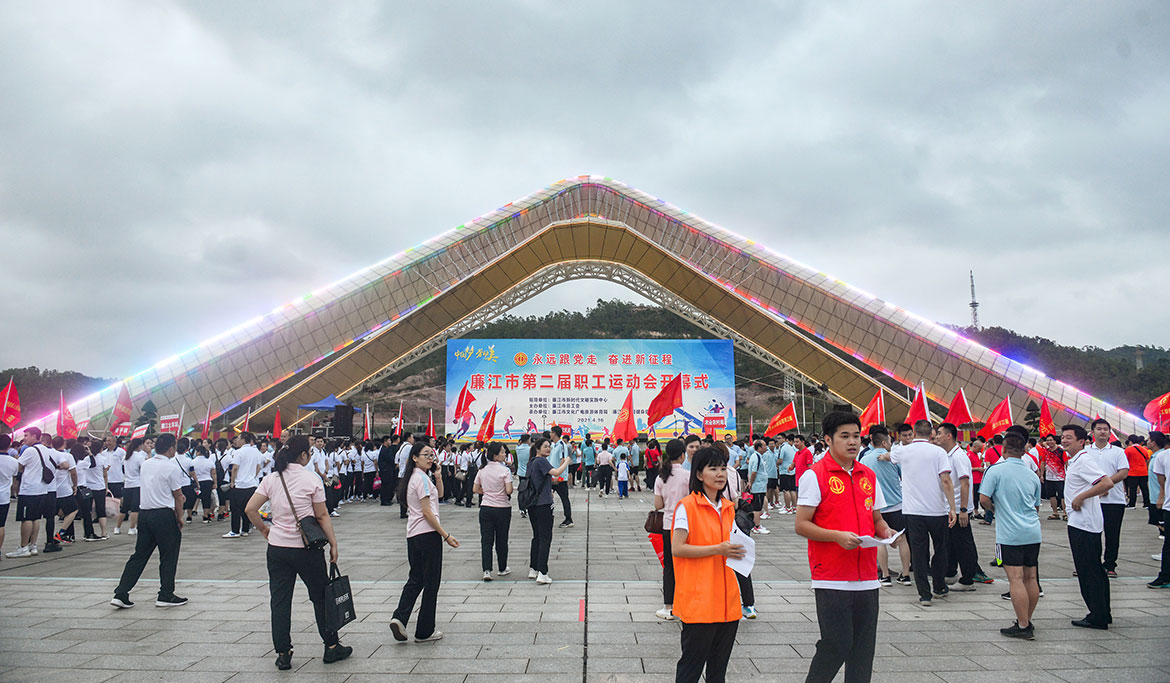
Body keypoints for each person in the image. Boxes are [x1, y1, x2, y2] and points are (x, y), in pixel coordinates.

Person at [796, 412, 893, 683]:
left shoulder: (868, 475)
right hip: (832, 576)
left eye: (856, 436)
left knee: (863, 651)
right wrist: (836, 536)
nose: (852, 442)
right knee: (836, 644)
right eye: (845, 436)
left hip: (867, 578)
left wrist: (886, 532)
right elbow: (801, 524)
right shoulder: (815, 475)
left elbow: (877, 519)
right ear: (828, 439)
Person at [244, 435, 351, 669]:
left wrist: (264, 530)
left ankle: (283, 653)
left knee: (280, 600)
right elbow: (321, 515)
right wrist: (333, 543)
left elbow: (250, 508)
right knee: (320, 597)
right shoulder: (311, 479)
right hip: (306, 549)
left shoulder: (272, 478)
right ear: (303, 455)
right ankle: (331, 646)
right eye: (309, 453)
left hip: (277, 549)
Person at [671, 446, 744, 683]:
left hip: (727, 601)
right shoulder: (687, 506)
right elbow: (678, 548)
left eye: (723, 468)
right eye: (713, 469)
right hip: (699, 601)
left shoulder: (727, 508)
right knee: (691, 668)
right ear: (699, 474)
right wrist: (718, 549)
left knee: (718, 671)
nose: (720, 474)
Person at [389, 441, 459, 642]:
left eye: (431, 455)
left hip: (413, 535)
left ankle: (399, 617)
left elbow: (441, 495)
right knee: (431, 583)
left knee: (416, 579)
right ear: (414, 457)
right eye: (426, 455)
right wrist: (445, 535)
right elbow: (428, 512)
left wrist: (438, 476)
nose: (430, 458)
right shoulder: (420, 478)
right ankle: (424, 631)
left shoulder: (416, 477)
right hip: (428, 535)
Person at [111, 433, 189, 609]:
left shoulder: (146, 464)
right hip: (164, 515)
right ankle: (165, 594)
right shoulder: (171, 467)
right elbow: (178, 495)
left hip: (145, 514)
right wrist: (179, 517)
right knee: (168, 555)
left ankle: (121, 593)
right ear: (171, 449)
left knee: (139, 555)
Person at [979, 432, 1042, 639]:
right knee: (1031, 577)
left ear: (1004, 449)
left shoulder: (996, 471)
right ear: (1024, 451)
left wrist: (994, 509)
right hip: (1032, 531)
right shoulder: (1032, 475)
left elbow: (984, 498)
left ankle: (1023, 625)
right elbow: (1036, 505)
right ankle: (1026, 619)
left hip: (1009, 533)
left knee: (1015, 579)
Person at [889, 420, 956, 606]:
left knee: (918, 553)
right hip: (937, 510)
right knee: (941, 549)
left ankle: (924, 594)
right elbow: (946, 480)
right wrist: (952, 507)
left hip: (913, 511)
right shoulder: (939, 452)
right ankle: (939, 586)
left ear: (914, 432)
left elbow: (888, 456)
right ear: (931, 433)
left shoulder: (903, 450)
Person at [1061, 424, 1115, 627]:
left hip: (1084, 524)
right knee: (1094, 570)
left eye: (1069, 437)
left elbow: (1106, 483)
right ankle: (1102, 612)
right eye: (1063, 437)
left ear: (1081, 441)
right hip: (1082, 522)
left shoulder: (1083, 460)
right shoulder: (1075, 460)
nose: (1064, 440)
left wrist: (1081, 497)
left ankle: (1097, 616)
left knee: (1088, 570)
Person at [859, 427, 912, 586]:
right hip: (896, 505)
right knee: (902, 540)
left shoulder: (865, 460)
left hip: (876, 507)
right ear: (883, 442)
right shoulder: (893, 458)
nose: (891, 443)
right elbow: (905, 476)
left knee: (879, 540)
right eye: (889, 440)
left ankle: (885, 576)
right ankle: (906, 575)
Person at [937, 423, 982, 592]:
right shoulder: (947, 455)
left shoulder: (958, 456)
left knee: (963, 544)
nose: (937, 437)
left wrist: (963, 510)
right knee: (951, 543)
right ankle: (950, 572)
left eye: (940, 433)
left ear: (949, 436)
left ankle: (968, 579)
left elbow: (965, 483)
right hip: (951, 508)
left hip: (959, 508)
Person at [6, 428, 62, 558]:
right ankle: (33, 545)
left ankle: (23, 547)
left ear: (35, 436)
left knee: (26, 519)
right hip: (42, 488)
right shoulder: (45, 449)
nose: (24, 438)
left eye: (26, 435)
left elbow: (18, 466)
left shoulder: (30, 450)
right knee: (36, 518)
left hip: (29, 489)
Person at [1084, 419, 1129, 578]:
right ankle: (1092, 564)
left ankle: (1110, 564)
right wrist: (1098, 488)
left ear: (1110, 433)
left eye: (1105, 429)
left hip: (1114, 501)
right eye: (1099, 429)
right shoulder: (1085, 451)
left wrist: (1105, 485)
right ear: (1093, 432)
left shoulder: (1118, 452)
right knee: (1091, 534)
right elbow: (1081, 472)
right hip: (1091, 500)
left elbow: (1123, 472)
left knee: (1112, 534)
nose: (1102, 432)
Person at [526, 437, 570, 584]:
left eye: (549, 446)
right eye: (545, 446)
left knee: (537, 537)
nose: (548, 449)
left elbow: (541, 479)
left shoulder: (532, 462)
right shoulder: (542, 461)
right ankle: (543, 573)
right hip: (543, 504)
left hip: (532, 504)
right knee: (545, 538)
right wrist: (566, 462)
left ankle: (534, 569)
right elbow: (556, 472)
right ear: (538, 449)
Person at [653, 438, 688, 621]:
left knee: (669, 566)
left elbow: (658, 505)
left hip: (668, 525)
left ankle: (668, 606)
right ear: (682, 455)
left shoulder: (661, 476)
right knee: (687, 565)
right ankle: (686, 603)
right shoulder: (688, 476)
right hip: (687, 525)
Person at [474, 442, 513, 580]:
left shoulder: (482, 470)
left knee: (486, 540)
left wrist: (487, 492)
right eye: (502, 452)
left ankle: (487, 570)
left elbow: (475, 489)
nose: (505, 454)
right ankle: (502, 568)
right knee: (502, 540)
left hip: (486, 507)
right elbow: (509, 490)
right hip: (502, 508)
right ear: (495, 456)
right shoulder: (505, 470)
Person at [223, 432, 263, 538]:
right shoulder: (255, 452)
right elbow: (258, 467)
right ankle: (245, 529)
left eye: (239, 438)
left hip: (239, 485)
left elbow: (235, 467)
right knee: (247, 508)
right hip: (251, 484)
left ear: (244, 440)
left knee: (235, 509)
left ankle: (235, 530)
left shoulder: (239, 452)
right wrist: (253, 476)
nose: (237, 440)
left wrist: (232, 481)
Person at [1148, 431, 1170, 587]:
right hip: (1169, 506)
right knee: (1168, 543)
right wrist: (1161, 497)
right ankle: (1165, 576)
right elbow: (1161, 481)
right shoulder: (1163, 456)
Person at [77, 440, 109, 541]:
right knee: (101, 510)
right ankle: (103, 532)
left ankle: (88, 532)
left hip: (88, 487)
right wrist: (106, 486)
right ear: (101, 448)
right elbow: (105, 474)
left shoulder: (87, 459)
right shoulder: (103, 459)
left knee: (88, 511)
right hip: (99, 486)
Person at [115, 438, 147, 535]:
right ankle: (132, 528)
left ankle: (117, 527)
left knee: (124, 508)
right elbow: (144, 469)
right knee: (135, 508)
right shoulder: (139, 456)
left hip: (127, 484)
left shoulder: (126, 456)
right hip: (137, 484)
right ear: (140, 445)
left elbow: (123, 468)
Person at [549, 426, 574, 528]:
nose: (550, 434)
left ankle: (568, 519)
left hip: (560, 478)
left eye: (551, 432)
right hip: (552, 476)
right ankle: (548, 515)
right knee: (547, 496)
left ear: (554, 433)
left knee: (564, 498)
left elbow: (563, 460)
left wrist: (557, 474)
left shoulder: (561, 445)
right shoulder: (553, 445)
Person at [1038, 434, 1068, 520]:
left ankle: (1065, 513)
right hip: (1049, 477)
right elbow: (1043, 463)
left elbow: (1066, 463)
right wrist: (1042, 475)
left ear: (1055, 441)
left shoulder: (1061, 451)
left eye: (1051, 440)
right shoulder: (1045, 451)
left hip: (1060, 477)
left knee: (1062, 496)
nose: (1049, 442)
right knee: (1051, 495)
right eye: (1048, 440)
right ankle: (1055, 513)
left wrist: (1067, 474)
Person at [746, 440, 769, 534]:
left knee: (757, 505)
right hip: (758, 486)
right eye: (764, 446)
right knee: (757, 507)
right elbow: (754, 472)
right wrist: (751, 483)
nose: (766, 447)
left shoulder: (758, 456)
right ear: (759, 448)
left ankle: (755, 524)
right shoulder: (756, 457)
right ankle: (756, 526)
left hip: (760, 485)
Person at [1123, 435, 1151, 508]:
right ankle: (1146, 503)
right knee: (1144, 488)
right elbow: (1147, 459)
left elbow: (1125, 460)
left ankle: (1132, 504)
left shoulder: (1128, 450)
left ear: (1130, 441)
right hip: (1143, 472)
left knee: (1132, 489)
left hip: (1132, 472)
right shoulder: (1143, 449)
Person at [377, 435, 397, 506]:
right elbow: (390, 459)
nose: (390, 442)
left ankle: (386, 499)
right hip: (386, 470)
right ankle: (384, 500)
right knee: (386, 485)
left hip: (385, 470)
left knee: (387, 485)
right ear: (385, 441)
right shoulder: (385, 450)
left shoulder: (384, 449)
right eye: (389, 440)